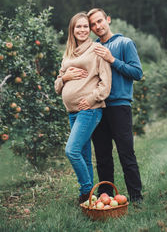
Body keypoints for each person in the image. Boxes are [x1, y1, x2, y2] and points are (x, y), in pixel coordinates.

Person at [54, 12, 111, 204]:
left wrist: (92, 98)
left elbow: (106, 83)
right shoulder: (68, 53)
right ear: (72, 30)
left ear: (90, 29)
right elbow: (56, 85)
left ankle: (86, 191)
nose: (82, 29)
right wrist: (65, 78)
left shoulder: (96, 50)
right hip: (72, 112)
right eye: (78, 26)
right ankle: (91, 200)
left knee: (72, 150)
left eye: (86, 26)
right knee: (84, 155)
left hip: (89, 110)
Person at [87, 8, 143, 203]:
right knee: (102, 156)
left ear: (108, 19)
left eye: (100, 21)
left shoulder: (125, 43)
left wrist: (112, 60)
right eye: (93, 24)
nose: (97, 26)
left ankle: (136, 197)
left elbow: (137, 73)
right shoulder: (91, 48)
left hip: (119, 106)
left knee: (126, 153)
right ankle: (106, 197)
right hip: (98, 107)